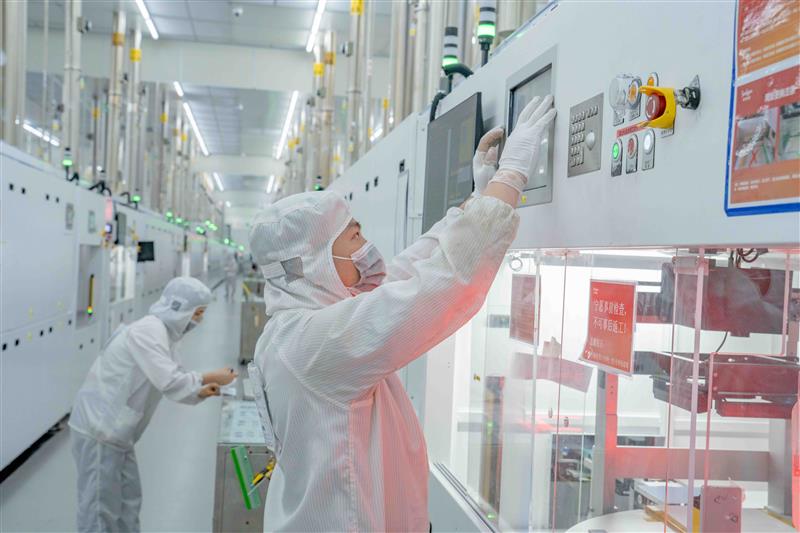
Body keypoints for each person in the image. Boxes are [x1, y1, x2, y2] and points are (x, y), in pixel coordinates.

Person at [248, 95, 555, 531]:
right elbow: (437, 285)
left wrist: (476, 200)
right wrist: (511, 177)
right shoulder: (314, 344)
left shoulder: (297, 328)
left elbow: (406, 274)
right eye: (354, 237)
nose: (367, 248)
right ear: (314, 262)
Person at [69, 276, 238, 532]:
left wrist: (200, 391)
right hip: (99, 429)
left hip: (119, 433)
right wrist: (210, 376)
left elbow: (174, 378)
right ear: (180, 308)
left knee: (128, 503)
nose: (199, 320)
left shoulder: (166, 335)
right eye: (198, 313)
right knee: (99, 510)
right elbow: (169, 380)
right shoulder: (149, 330)